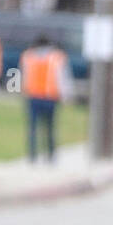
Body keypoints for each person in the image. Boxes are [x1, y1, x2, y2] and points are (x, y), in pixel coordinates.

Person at [19, 34, 73, 162]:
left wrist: (20, 91)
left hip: (34, 97)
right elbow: (63, 78)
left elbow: (22, 75)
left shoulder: (28, 56)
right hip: (49, 98)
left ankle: (33, 156)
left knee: (33, 129)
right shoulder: (57, 57)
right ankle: (50, 155)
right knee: (49, 128)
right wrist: (67, 95)